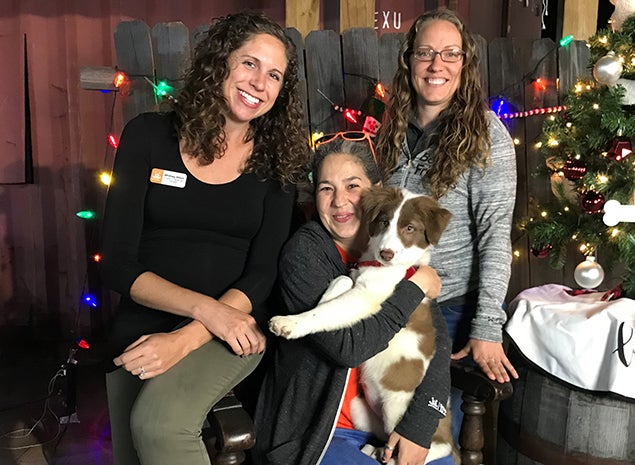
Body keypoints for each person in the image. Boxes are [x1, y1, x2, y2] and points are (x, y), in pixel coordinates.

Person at [99, 12, 309, 465]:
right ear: (221, 63)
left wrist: (193, 333)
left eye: (274, 75)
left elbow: (262, 272)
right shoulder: (148, 136)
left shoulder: (276, 166)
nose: (259, 82)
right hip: (151, 314)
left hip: (234, 328)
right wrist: (203, 309)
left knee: (158, 425)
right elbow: (116, 261)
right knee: (130, 452)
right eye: (250, 63)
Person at [253, 133, 455, 465]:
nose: (339, 201)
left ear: (376, 192)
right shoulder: (304, 254)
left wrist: (418, 429)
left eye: (352, 186)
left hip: (389, 423)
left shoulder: (396, 252)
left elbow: (438, 345)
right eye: (325, 188)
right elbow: (349, 349)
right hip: (320, 431)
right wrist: (414, 289)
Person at [374, 8, 520, 438]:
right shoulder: (392, 126)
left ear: (465, 64)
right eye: (426, 53)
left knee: (429, 436)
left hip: (451, 307)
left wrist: (487, 327)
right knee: (381, 421)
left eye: (450, 54)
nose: (437, 65)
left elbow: (496, 238)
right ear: (409, 61)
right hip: (389, 297)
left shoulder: (487, 136)